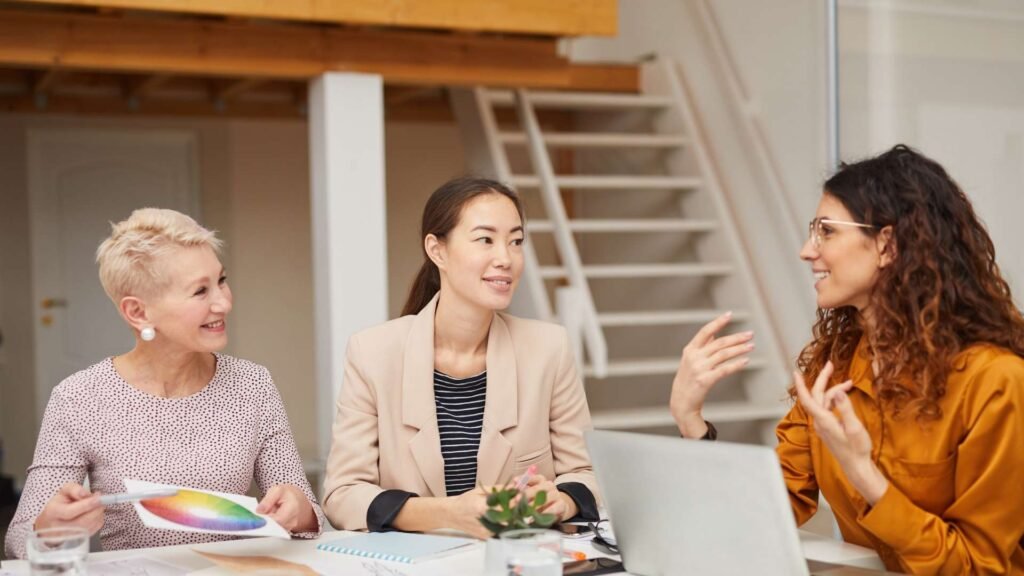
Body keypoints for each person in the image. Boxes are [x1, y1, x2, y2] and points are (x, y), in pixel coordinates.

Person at [670, 145, 1024, 574]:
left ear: (887, 245)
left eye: (826, 231)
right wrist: (691, 420)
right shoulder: (833, 366)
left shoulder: (996, 381)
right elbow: (766, 510)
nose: (807, 250)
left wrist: (866, 477)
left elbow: (980, 567)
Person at [5, 208, 323, 559]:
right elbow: (19, 538)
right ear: (138, 312)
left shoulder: (252, 384)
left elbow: (312, 518)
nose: (223, 302)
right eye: (200, 291)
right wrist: (49, 530)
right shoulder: (79, 397)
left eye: (221, 280)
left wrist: (300, 511)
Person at [322, 176, 599, 538]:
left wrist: (561, 501)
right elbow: (343, 495)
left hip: (517, 558)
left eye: (516, 242)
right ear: (437, 251)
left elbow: (587, 474)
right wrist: (449, 514)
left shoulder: (549, 348)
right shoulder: (372, 352)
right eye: (485, 239)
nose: (506, 258)